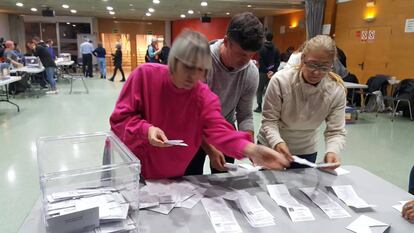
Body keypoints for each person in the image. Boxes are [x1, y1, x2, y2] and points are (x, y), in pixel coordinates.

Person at [109, 30, 290, 179]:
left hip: (176, 175)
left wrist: (252, 149)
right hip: (137, 171)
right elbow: (119, 120)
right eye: (188, 67)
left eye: (201, 70)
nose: (193, 76)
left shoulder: (203, 96)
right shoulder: (145, 76)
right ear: (173, 61)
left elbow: (219, 131)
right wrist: (146, 130)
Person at [185, 12, 265, 175]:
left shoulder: (251, 72)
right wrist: (211, 148)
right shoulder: (201, 61)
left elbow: (245, 114)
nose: (246, 60)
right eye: (242, 53)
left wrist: (250, 146)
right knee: (191, 179)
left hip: (226, 129)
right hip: (194, 129)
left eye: (251, 55)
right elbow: (192, 114)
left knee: (224, 182)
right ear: (227, 41)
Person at [258, 35, 346, 169]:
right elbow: (269, 121)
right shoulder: (281, 81)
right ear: (302, 58)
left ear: (331, 65)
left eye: (324, 67)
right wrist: (277, 142)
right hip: (271, 146)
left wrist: (332, 150)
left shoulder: (335, 90)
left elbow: (336, 131)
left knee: (300, 189)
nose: (316, 72)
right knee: (268, 188)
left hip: (305, 150)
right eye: (311, 65)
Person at [254, 31, 280, 113]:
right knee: (271, 91)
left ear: (265, 37)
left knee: (259, 90)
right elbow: (277, 61)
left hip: (262, 72)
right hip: (272, 73)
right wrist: (272, 71)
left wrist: (266, 70)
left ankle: (259, 106)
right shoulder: (276, 49)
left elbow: (261, 61)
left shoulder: (261, 48)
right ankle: (269, 108)